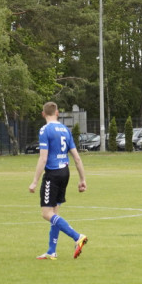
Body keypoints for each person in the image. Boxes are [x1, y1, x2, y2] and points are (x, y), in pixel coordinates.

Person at [28, 101, 89, 260]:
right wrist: (82, 179)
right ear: (58, 113)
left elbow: (43, 158)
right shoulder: (65, 130)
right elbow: (76, 157)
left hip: (52, 174)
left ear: (43, 114)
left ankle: (77, 237)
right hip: (65, 173)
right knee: (54, 212)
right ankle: (51, 251)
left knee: (46, 213)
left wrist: (35, 181)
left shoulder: (44, 130)